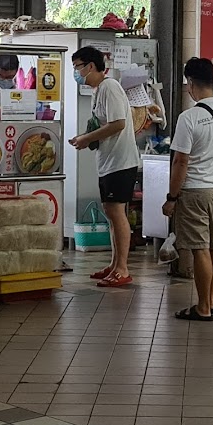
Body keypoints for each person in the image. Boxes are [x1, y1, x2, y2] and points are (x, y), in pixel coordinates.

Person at [163, 58, 213, 321]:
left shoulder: (189, 118)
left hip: (196, 190)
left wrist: (171, 197)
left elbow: (181, 161)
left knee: (199, 248)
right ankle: (211, 299)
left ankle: (203, 307)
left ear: (191, 84)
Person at [69, 46, 139, 287]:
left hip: (121, 162)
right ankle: (114, 263)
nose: (76, 72)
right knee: (111, 212)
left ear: (90, 66)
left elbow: (118, 123)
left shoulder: (110, 87)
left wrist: (87, 139)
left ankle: (122, 268)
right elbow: (103, 125)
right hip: (108, 162)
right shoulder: (98, 90)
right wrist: (86, 136)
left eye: (78, 67)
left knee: (117, 213)